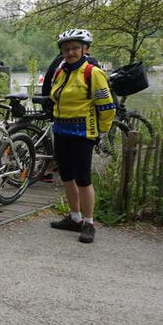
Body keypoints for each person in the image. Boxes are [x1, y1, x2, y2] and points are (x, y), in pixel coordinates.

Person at [47, 28, 116, 244]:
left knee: (83, 179)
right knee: (67, 176)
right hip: (61, 130)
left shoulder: (92, 73)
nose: (70, 53)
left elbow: (106, 106)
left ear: (85, 49)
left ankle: (88, 222)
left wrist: (102, 130)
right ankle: (74, 218)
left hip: (83, 131)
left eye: (75, 48)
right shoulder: (60, 72)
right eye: (66, 49)